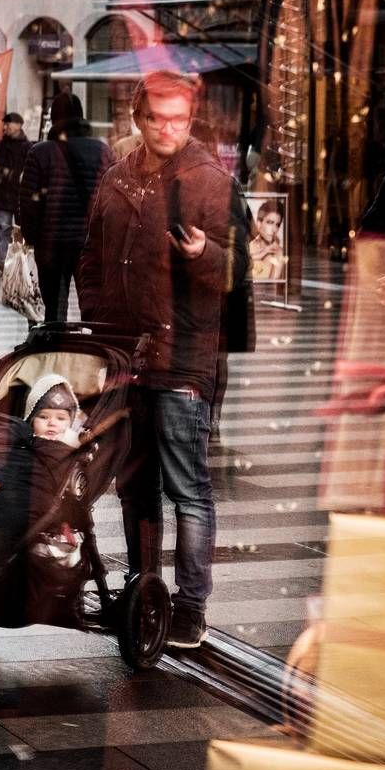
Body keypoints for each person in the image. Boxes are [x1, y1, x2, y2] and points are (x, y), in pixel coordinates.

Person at [79, 69, 249, 648]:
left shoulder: (209, 181)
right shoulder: (117, 178)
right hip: (125, 360)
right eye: (156, 118)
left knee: (187, 488)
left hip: (183, 357)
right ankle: (142, 586)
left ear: (191, 120)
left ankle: (190, 607)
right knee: (134, 483)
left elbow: (244, 269)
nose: (167, 129)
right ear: (137, 118)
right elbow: (91, 260)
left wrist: (207, 254)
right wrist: (101, 327)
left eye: (178, 119)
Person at [19, 91, 113, 324]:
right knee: (92, 306)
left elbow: (29, 202)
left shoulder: (40, 152)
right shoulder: (103, 151)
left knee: (54, 310)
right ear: (81, 116)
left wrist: (32, 237)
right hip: (90, 244)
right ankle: (90, 352)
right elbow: (112, 198)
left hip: (52, 245)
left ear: (53, 118)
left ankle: (58, 351)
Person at [0, 112, 31, 271]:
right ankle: (3, 260)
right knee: (4, 227)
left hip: (21, 195)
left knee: (21, 229)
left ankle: (21, 261)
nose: (5, 127)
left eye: (8, 124)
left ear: (18, 125)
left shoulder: (28, 147)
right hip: (5, 194)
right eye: (5, 124)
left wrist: (11, 174)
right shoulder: (1, 146)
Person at [248, 199, 285, 281]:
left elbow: (272, 287)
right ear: (259, 223)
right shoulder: (248, 245)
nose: (274, 229)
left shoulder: (279, 253)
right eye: (270, 222)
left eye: (277, 224)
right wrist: (262, 254)